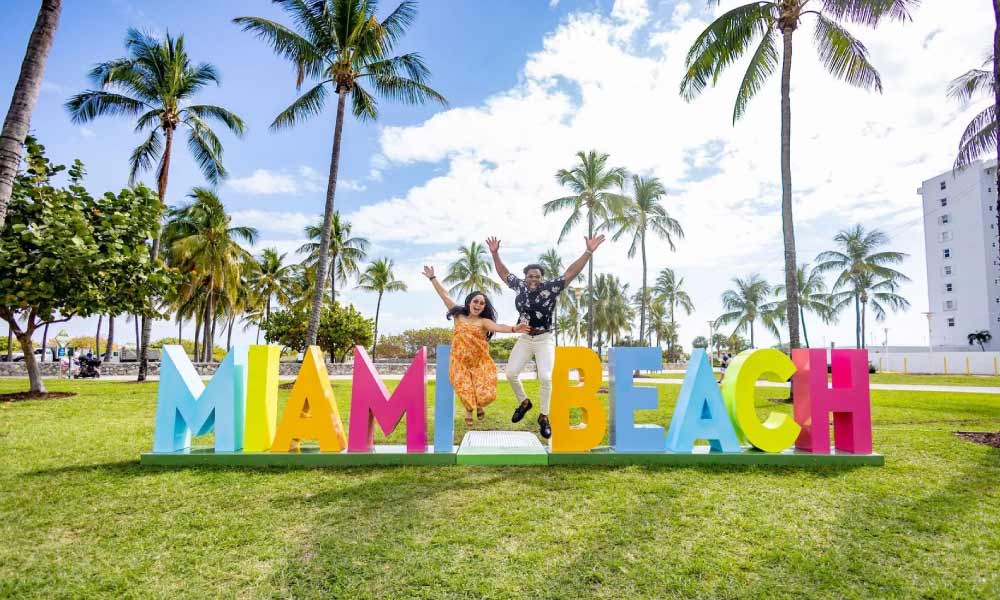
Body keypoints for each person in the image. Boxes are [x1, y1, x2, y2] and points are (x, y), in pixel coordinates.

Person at [486, 234, 606, 439]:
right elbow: (504, 273)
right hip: (524, 339)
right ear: (525, 278)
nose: (533, 279)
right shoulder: (520, 286)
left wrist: (588, 252)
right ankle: (524, 402)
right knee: (510, 373)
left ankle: (544, 416)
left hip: (544, 340)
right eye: (530, 276)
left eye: (537, 276)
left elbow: (570, 272)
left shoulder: (550, 288)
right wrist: (495, 254)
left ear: (541, 278)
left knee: (545, 377)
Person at [423, 265, 530, 427]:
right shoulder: (458, 315)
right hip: (459, 362)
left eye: (482, 303)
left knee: (486, 392)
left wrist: (515, 328)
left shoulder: (484, 322)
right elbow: (444, 295)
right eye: (476, 301)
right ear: (469, 302)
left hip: (479, 362)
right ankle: (469, 410)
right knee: (463, 386)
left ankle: (479, 405)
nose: (479, 305)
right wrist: (433, 278)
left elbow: (500, 327)